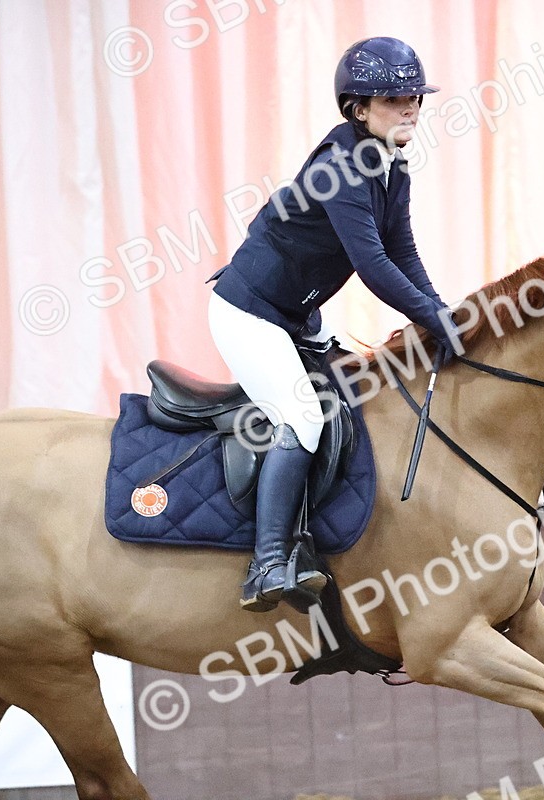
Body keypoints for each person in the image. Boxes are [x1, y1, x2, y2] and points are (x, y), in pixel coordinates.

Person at [207, 36, 459, 612]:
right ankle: (268, 563)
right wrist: (434, 319)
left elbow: (404, 254)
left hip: (297, 315)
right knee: (303, 416)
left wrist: (443, 314)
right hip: (248, 313)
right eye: (394, 99)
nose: (411, 107)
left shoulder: (392, 170)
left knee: (354, 394)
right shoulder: (344, 165)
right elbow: (372, 266)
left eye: (415, 96)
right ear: (358, 109)